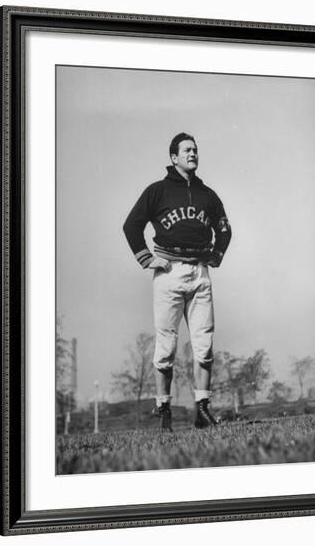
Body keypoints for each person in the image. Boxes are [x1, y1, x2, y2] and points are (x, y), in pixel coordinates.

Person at [123, 133, 232, 431]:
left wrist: (217, 255)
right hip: (168, 271)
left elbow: (224, 229)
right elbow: (131, 225)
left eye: (195, 149)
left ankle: (202, 409)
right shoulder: (157, 191)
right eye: (187, 150)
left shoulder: (208, 195)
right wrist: (147, 259)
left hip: (199, 271)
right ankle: (165, 409)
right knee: (166, 345)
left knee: (204, 343)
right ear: (174, 157)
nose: (193, 153)